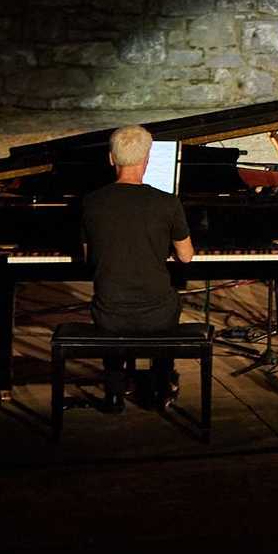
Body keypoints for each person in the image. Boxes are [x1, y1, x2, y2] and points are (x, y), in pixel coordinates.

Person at [81, 125, 194, 412]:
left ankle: (116, 390)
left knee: (111, 301)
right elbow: (186, 257)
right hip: (157, 314)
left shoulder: (91, 203)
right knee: (169, 301)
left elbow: (88, 258)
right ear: (148, 159)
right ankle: (162, 383)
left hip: (109, 313)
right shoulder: (167, 202)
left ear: (111, 159)